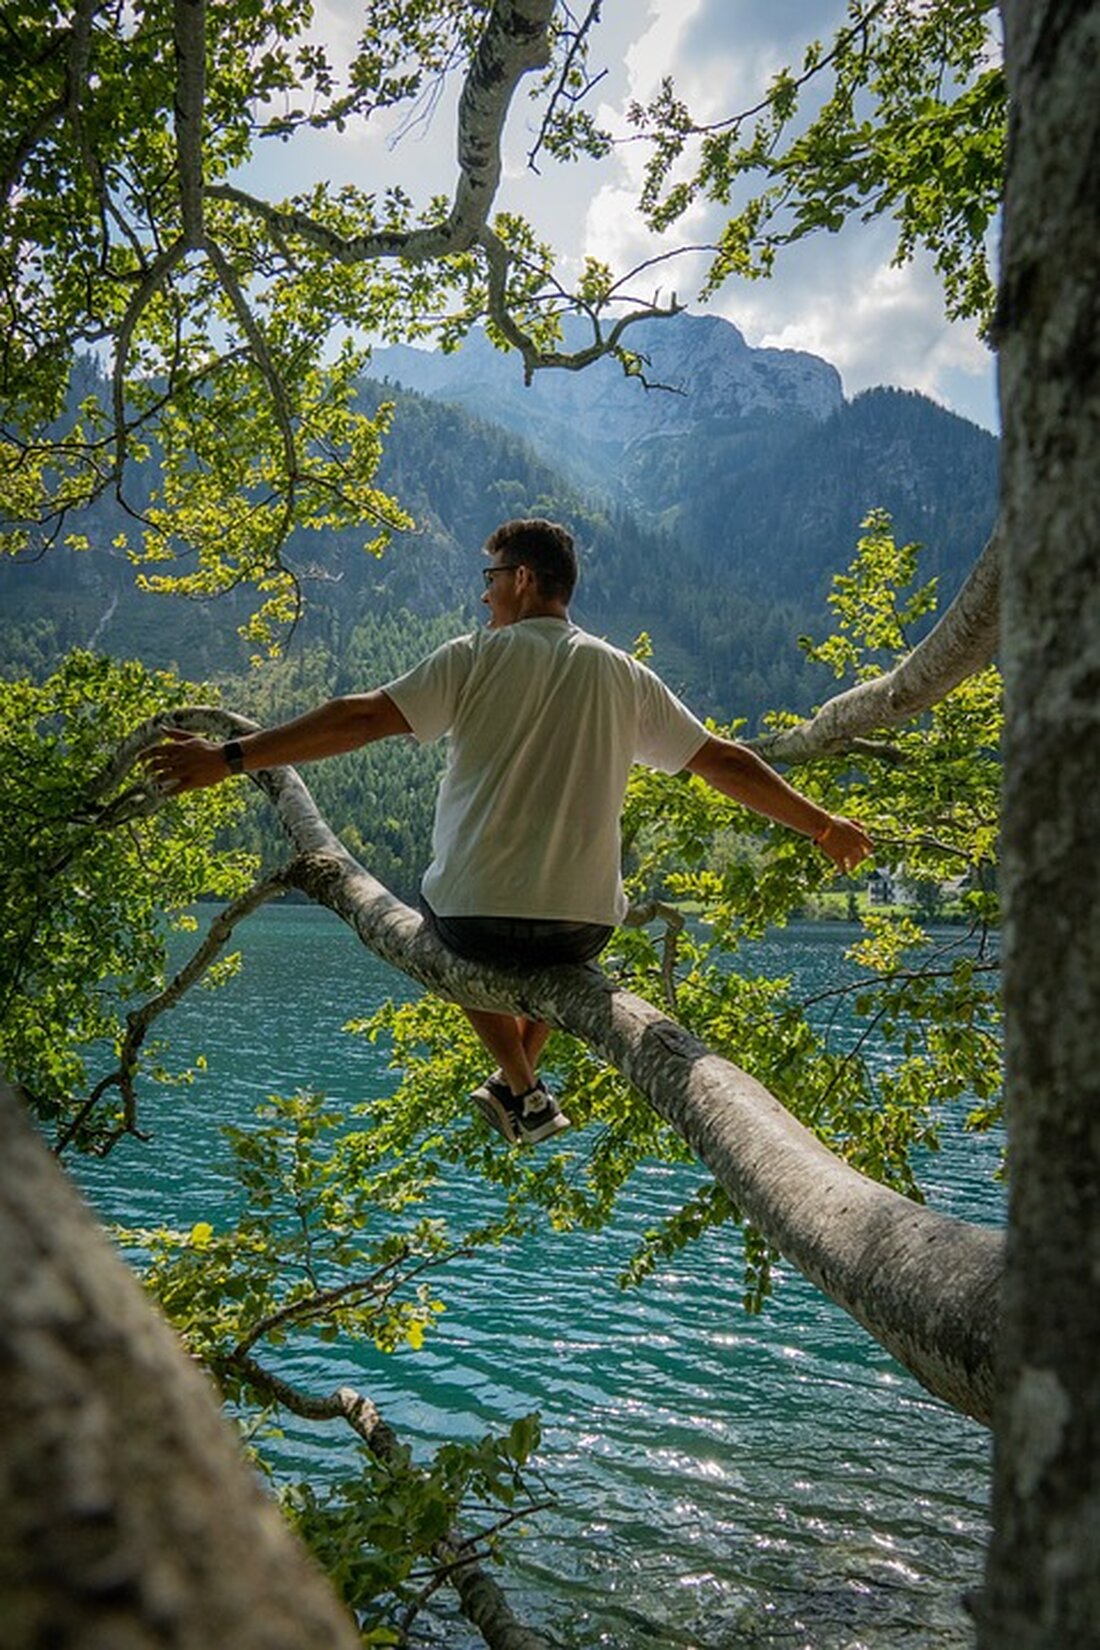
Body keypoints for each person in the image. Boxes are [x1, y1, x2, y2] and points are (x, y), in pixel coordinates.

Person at [143, 518, 872, 1147]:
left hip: (473, 922)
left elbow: (358, 717)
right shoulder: (626, 676)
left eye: (490, 578)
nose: (484, 594)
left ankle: (521, 1085)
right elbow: (723, 762)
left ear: (523, 579)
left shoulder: (473, 657)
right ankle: (518, 1089)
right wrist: (823, 825)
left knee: (447, 905)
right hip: (580, 930)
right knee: (553, 914)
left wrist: (228, 758)